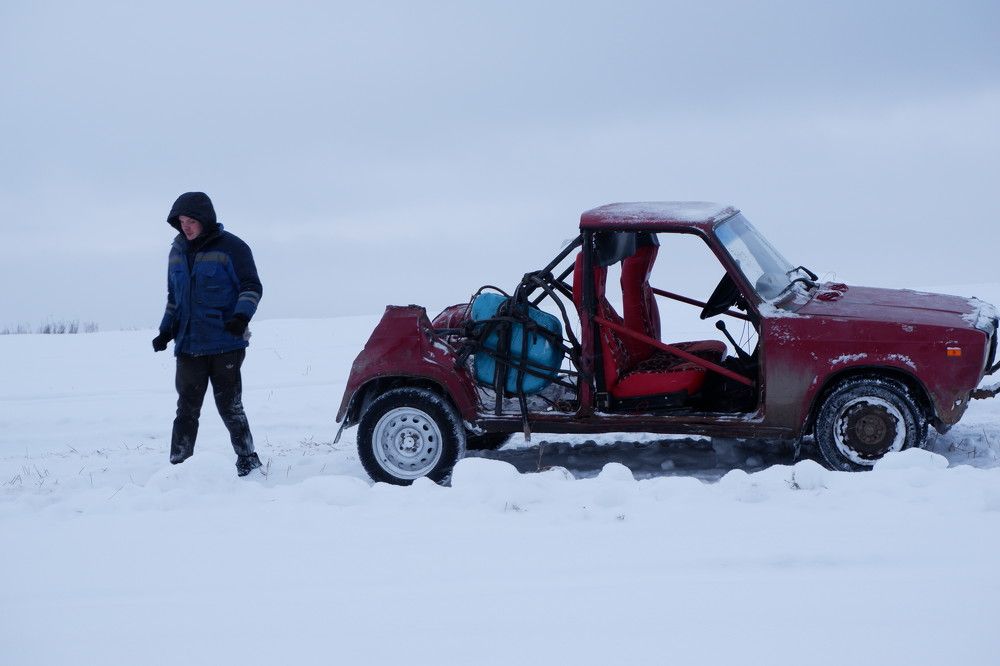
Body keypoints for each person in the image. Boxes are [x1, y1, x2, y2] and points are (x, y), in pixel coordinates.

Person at [152, 192, 264, 477]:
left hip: (226, 342)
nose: (185, 226)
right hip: (189, 344)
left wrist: (241, 317)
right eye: (181, 221)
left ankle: (248, 458)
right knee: (186, 410)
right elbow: (174, 298)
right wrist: (165, 330)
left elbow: (251, 286)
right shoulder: (176, 252)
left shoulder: (232, 247)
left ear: (205, 220)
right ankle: (179, 465)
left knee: (230, 406)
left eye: (191, 221)